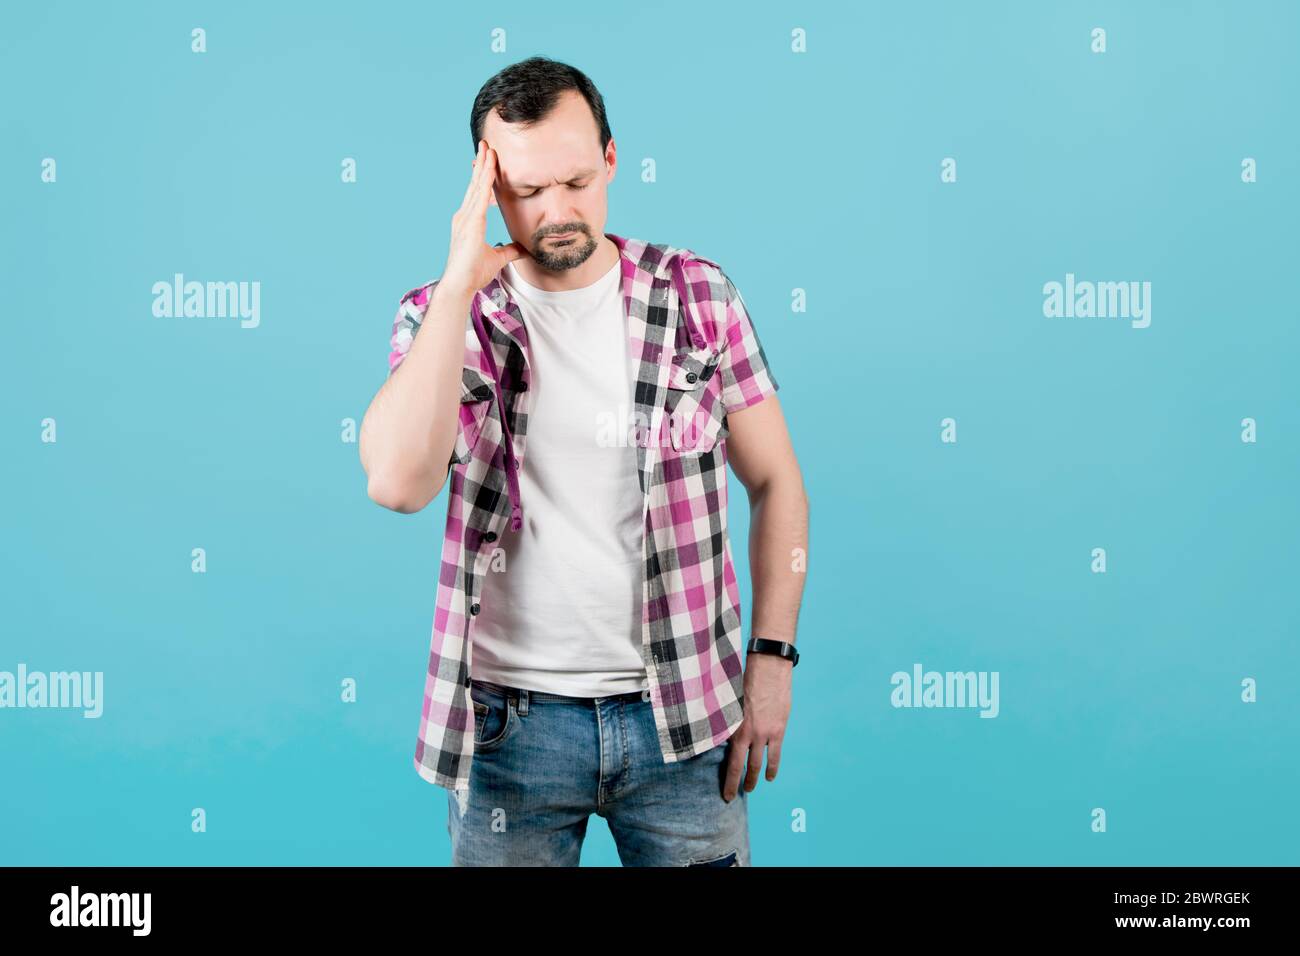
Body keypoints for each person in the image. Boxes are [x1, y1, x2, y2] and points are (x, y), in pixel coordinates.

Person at [359, 56, 809, 866]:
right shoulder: (441, 317)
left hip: (685, 717)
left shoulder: (698, 297)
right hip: (510, 730)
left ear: (610, 157)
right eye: (528, 191)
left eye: (575, 180)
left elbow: (776, 481)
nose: (558, 212)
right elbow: (397, 483)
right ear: (487, 187)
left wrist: (771, 662)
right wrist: (461, 283)